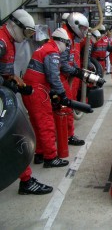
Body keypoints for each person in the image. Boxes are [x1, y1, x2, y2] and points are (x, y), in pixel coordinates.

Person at [0, 9, 53, 195]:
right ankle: (27, 180)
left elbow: (6, 72)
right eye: (27, 32)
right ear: (15, 25)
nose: (27, 37)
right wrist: (5, 83)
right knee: (14, 137)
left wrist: (17, 84)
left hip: (4, 93)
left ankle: (26, 179)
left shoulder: (8, 40)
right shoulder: (1, 41)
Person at [22, 28, 70, 168]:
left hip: (29, 89)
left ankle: (40, 153)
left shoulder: (43, 48)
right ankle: (51, 157)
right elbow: (53, 76)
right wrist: (62, 94)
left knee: (37, 124)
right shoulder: (52, 52)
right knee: (46, 124)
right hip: (38, 90)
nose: (66, 48)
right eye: (66, 44)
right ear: (61, 41)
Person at [60, 12, 89, 146]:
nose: (83, 32)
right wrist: (75, 71)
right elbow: (63, 64)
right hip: (60, 78)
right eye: (82, 29)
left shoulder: (69, 38)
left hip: (63, 78)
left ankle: (65, 135)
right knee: (66, 108)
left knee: (65, 108)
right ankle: (68, 136)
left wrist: (77, 70)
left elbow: (71, 59)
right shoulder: (65, 38)